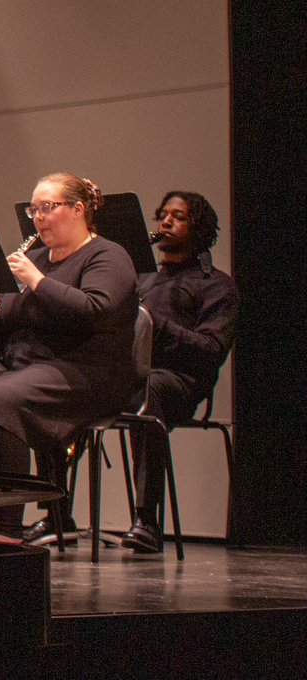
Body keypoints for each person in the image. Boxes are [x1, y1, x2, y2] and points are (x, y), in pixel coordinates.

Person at [0, 174, 138, 542]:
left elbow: (97, 309)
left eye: (48, 207)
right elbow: (0, 338)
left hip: (87, 370)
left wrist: (37, 280)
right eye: (34, 209)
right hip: (27, 367)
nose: (38, 217)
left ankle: (8, 530)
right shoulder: (34, 257)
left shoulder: (108, 255)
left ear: (78, 210)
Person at [121, 191, 236, 554]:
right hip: (129, 374)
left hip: (179, 381)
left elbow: (212, 351)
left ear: (198, 228)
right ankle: (58, 514)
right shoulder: (141, 279)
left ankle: (146, 520)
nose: (165, 222)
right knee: (62, 380)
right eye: (162, 215)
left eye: (178, 217)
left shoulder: (216, 284)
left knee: (148, 389)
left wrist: (158, 327)